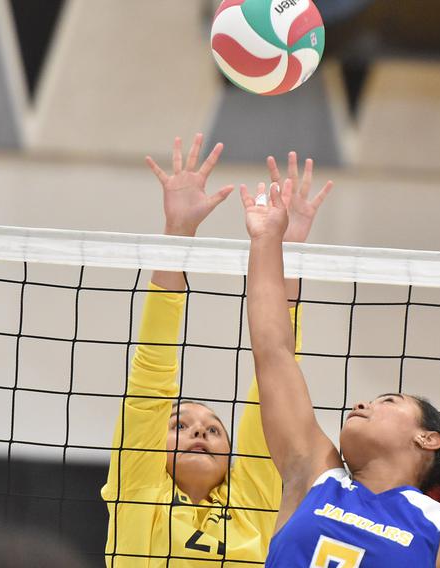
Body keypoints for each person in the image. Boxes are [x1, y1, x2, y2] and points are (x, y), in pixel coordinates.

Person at [239, 179, 440, 567]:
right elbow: (273, 351)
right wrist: (266, 237)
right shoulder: (314, 474)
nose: (362, 403)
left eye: (389, 400)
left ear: (428, 438)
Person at [101, 134, 333, 567]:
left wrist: (286, 254)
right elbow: (152, 372)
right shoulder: (137, 491)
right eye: (181, 424)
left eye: (213, 430)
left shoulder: (255, 504)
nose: (201, 433)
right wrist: (178, 233)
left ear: (233, 459)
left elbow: (275, 381)